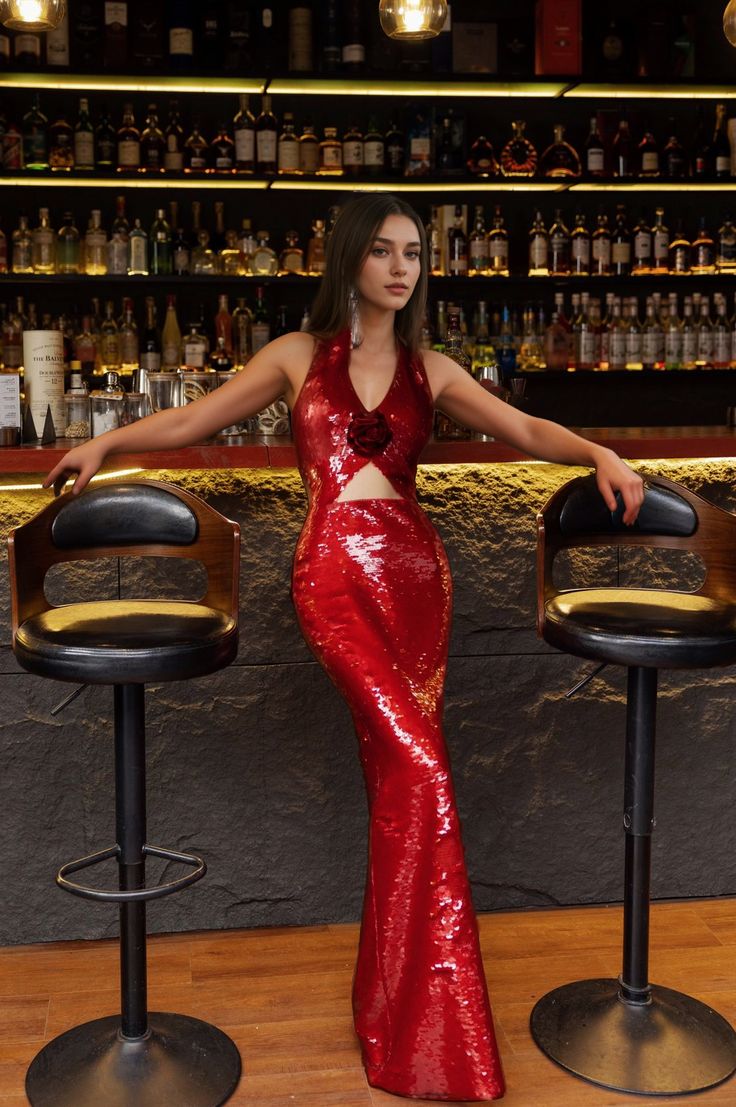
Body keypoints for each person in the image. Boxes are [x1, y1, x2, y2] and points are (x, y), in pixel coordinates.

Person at [44, 192, 644, 1102]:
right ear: (351, 260)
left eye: (415, 253)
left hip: (416, 580)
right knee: (424, 776)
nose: (403, 267)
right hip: (332, 577)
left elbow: (522, 428)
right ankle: (432, 1038)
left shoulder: (431, 367)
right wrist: (107, 443)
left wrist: (598, 452)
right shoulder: (294, 357)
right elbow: (195, 419)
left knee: (405, 789)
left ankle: (394, 1010)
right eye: (386, 251)